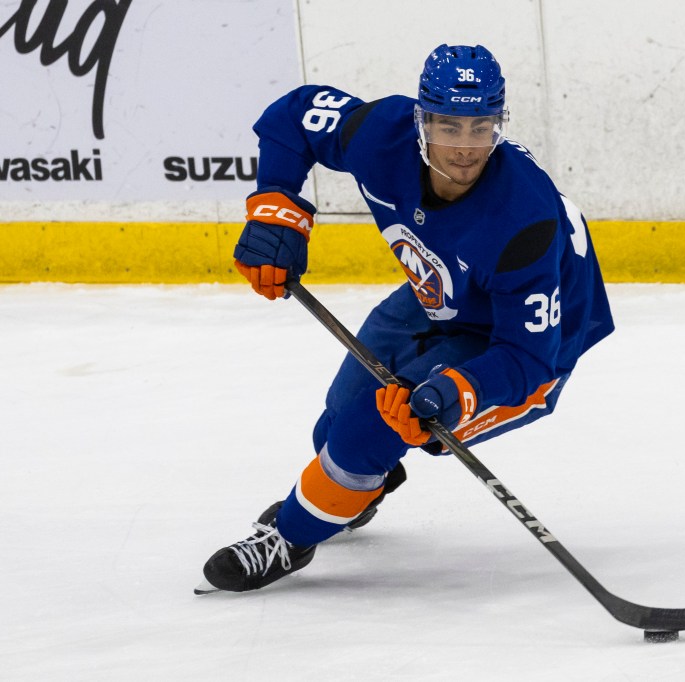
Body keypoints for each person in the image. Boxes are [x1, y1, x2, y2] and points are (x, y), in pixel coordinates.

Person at [195, 44, 614, 594]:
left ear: (499, 125)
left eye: (480, 127)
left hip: (532, 343)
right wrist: (277, 208)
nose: (465, 149)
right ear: (420, 120)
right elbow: (293, 116)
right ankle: (364, 484)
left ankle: (289, 538)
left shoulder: (522, 220)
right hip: (443, 291)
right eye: (448, 126)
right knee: (334, 425)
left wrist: (453, 391)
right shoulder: (381, 134)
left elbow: (528, 357)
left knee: (368, 427)